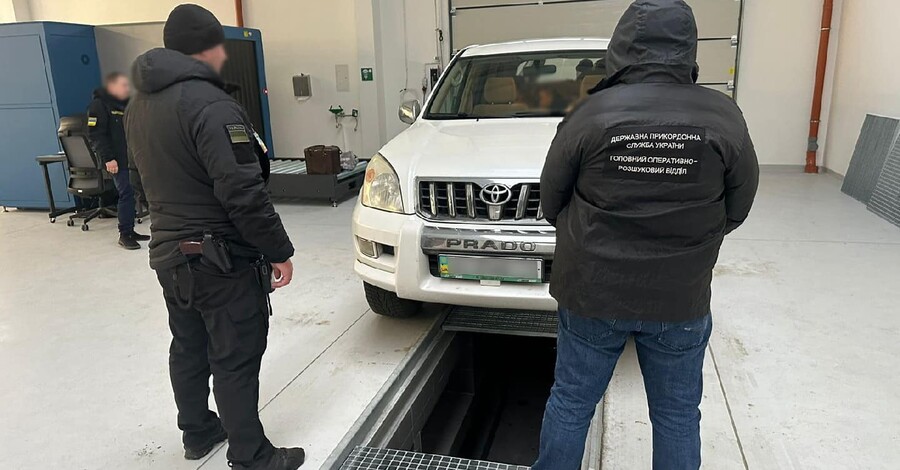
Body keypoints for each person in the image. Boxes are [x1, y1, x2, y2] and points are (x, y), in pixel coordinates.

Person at [533, 1, 759, 469]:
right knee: (677, 415)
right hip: (679, 298)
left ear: (621, 47)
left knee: (572, 402)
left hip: (592, 291)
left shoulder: (589, 113)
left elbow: (551, 200)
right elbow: (738, 206)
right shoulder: (723, 116)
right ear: (688, 47)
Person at [124, 4, 304, 470]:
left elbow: (138, 179)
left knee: (188, 346)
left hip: (170, 256)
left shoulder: (138, 105)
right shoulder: (212, 105)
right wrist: (278, 250)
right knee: (235, 354)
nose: (224, 55)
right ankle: (252, 456)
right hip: (220, 260)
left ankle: (198, 431)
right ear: (207, 48)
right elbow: (242, 191)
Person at [86, 72, 149, 249]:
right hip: (115, 160)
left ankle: (131, 230)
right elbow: (96, 135)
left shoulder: (123, 104)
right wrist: (108, 158)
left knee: (133, 192)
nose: (127, 88)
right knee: (126, 193)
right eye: (123, 85)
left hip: (130, 158)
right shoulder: (99, 105)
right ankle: (124, 234)